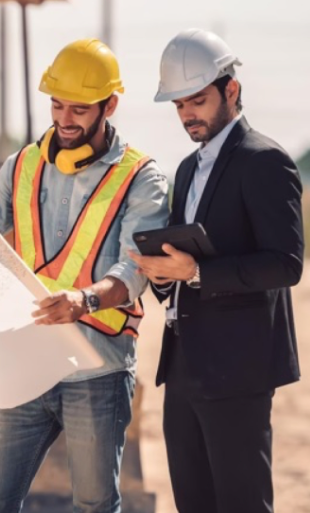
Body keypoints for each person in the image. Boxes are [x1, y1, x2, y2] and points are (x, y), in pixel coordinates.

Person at [0, 38, 169, 513]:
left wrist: (85, 300)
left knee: (94, 507)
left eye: (79, 108)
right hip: (24, 361)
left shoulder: (141, 178)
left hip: (97, 369)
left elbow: (134, 270)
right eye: (57, 105)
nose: (64, 119)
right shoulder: (21, 165)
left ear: (110, 105)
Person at [129, 28, 304, 513]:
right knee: (193, 504)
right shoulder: (185, 169)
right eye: (179, 104)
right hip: (184, 368)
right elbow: (185, 264)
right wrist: (165, 275)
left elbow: (286, 263)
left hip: (239, 372)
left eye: (197, 100)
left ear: (232, 90)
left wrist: (199, 273)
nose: (187, 114)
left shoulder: (265, 161)